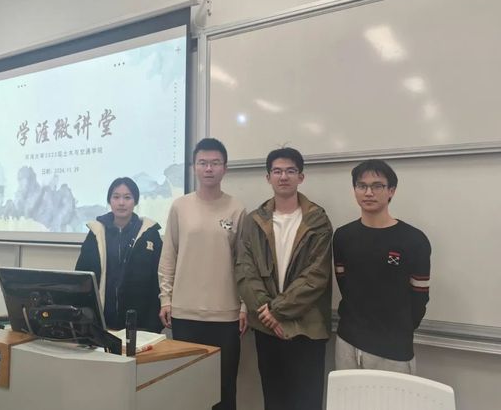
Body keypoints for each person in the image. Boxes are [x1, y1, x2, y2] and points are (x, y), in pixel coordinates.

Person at [235, 147, 332, 410]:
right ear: (268, 177)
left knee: (307, 403)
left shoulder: (317, 220)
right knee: (274, 400)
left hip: (307, 328)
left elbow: (317, 275)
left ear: (301, 177)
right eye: (277, 171)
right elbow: (245, 270)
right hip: (267, 328)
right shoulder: (255, 221)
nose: (284, 176)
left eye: (290, 171)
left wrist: (277, 311)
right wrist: (268, 313)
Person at [158, 138, 247, 410]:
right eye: (203, 163)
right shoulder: (180, 207)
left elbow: (245, 264)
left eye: (215, 163)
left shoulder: (237, 208)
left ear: (225, 168)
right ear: (194, 167)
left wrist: (245, 306)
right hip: (185, 314)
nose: (209, 168)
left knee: (224, 389)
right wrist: (166, 298)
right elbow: (169, 255)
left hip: (226, 315)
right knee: (188, 389)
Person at [333, 159, 431, 373]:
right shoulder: (342, 236)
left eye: (377, 186)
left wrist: (397, 330)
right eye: (362, 186)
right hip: (348, 341)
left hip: (393, 349)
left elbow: (419, 299)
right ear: (355, 190)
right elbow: (345, 286)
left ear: (391, 191)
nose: (369, 192)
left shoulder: (414, 240)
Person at [75, 177, 163, 333]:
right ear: (109, 200)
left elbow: (159, 278)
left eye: (127, 197)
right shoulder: (96, 233)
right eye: (116, 197)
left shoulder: (150, 234)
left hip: (141, 323)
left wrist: (154, 321)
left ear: (135, 201)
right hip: (102, 322)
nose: (121, 203)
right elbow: (82, 276)